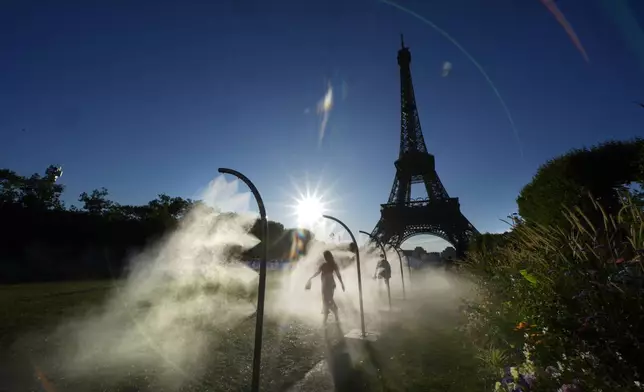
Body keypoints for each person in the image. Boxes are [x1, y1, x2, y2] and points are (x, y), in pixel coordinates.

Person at [306, 250, 345, 324]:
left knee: (327, 300)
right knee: (326, 300)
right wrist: (311, 278)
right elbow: (317, 272)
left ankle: (333, 313)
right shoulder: (326, 265)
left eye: (326, 257)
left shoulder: (331, 265)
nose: (325, 258)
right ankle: (329, 317)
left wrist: (342, 283)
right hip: (327, 284)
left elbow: (338, 274)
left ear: (328, 257)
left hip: (329, 285)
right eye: (325, 257)